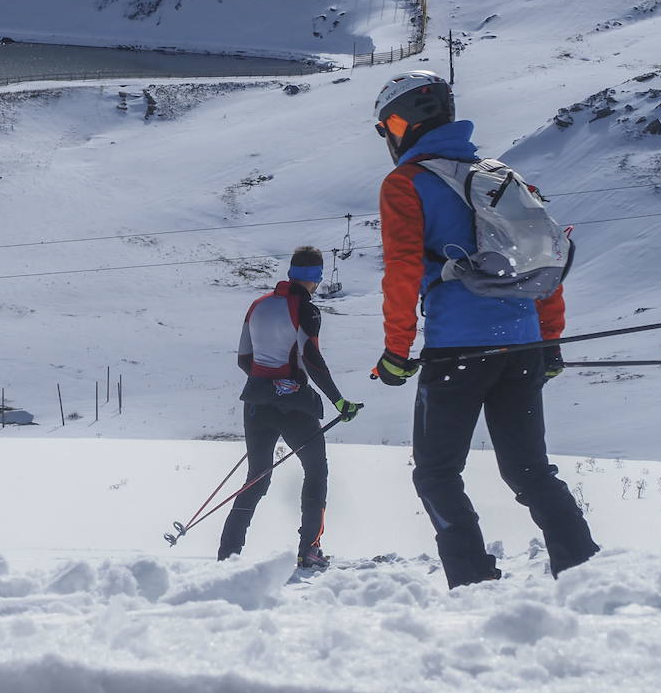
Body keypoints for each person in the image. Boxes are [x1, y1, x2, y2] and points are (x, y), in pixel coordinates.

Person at [369, 71, 598, 589]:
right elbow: (545, 265)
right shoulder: (502, 178)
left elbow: (403, 272)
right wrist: (550, 341)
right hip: (522, 346)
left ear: (401, 123)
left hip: (456, 351)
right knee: (530, 472)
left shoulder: (406, 184)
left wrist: (395, 352)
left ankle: (474, 583)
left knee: (435, 474)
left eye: (387, 127)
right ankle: (586, 572)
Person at [218, 246, 362, 568]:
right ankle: (309, 550)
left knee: (256, 477)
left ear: (290, 273)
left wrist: (267, 384)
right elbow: (311, 358)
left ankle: (227, 554)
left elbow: (244, 359)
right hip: (295, 405)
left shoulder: (257, 306)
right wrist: (338, 400)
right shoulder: (306, 310)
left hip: (256, 403)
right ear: (317, 278)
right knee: (316, 471)